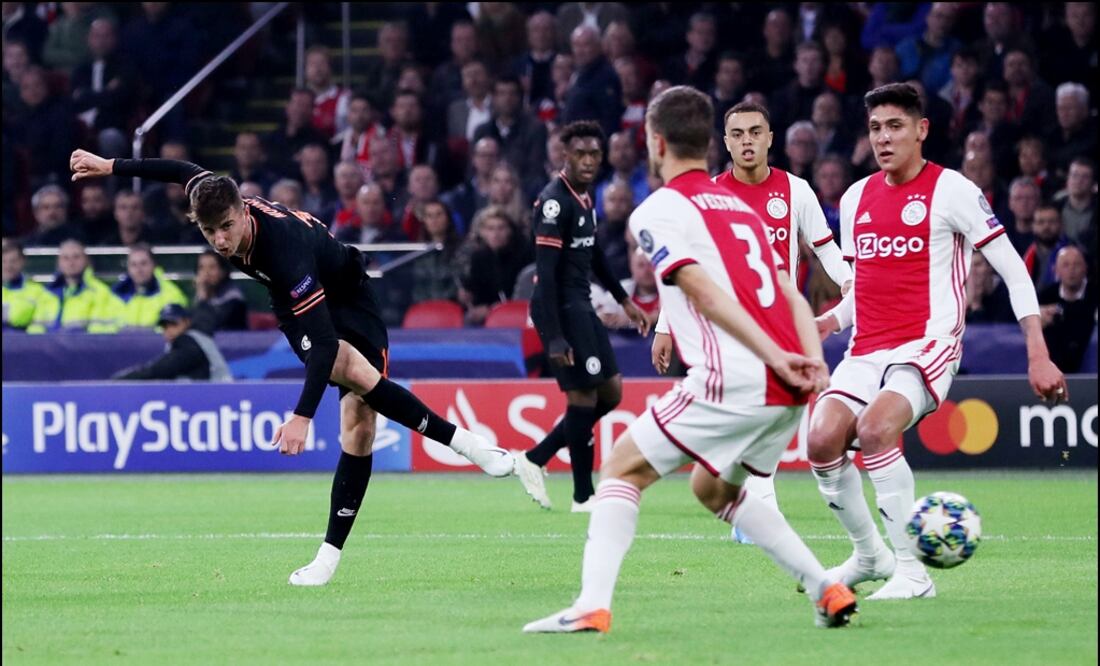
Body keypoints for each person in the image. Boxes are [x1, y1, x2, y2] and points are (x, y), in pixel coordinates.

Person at [70, 147, 515, 587]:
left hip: (348, 296)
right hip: (293, 302)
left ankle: (462, 451)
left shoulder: (283, 250)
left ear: (243, 211)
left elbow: (324, 344)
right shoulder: (213, 194)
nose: (220, 241)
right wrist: (110, 166)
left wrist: (302, 416)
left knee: (358, 422)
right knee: (355, 380)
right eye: (209, 232)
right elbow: (179, 169)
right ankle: (462, 448)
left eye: (226, 227)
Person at [524, 86, 855, 634]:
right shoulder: (743, 209)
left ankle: (590, 606)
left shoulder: (658, 210)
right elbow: (788, 291)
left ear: (656, 142)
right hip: (790, 385)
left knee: (620, 468)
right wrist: (807, 359)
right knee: (713, 488)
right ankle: (827, 588)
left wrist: (774, 356)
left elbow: (700, 290)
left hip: (738, 377)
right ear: (710, 142)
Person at [812, 83, 1066, 600]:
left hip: (928, 345)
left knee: (876, 428)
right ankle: (869, 556)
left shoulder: (953, 191)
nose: (884, 138)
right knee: (820, 441)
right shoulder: (856, 197)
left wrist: (1038, 353)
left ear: (921, 130)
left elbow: (1014, 270)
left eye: (895, 126)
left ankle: (912, 573)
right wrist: (830, 321)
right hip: (866, 349)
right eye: (875, 128)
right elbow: (863, 288)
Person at [652, 100, 853, 544]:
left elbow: (824, 247)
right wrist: (665, 325)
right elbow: (686, 265)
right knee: (751, 418)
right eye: (738, 134)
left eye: (755, 132)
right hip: (724, 328)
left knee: (760, 418)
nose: (747, 141)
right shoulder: (708, 196)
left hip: (780, 327)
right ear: (725, 143)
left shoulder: (796, 191)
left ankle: (751, 508)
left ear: (769, 139)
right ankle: (755, 510)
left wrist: (849, 281)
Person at [513, 121, 650, 512]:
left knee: (611, 393)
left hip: (582, 303)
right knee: (584, 396)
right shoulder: (554, 203)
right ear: (565, 156)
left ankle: (535, 458)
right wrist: (555, 335)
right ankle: (582, 496)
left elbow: (595, 254)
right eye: (580, 154)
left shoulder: (586, 197)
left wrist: (624, 300)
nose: (588, 161)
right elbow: (546, 275)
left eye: (594, 154)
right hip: (560, 307)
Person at [112, 304, 233, 381]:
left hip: (220, 397)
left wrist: (121, 380)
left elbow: (158, 370)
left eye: (173, 324)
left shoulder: (189, 342)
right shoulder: (186, 341)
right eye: (164, 326)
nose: (169, 330)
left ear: (186, 322)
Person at [1038, 245, 1097, 373]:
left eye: (1077, 265)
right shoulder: (1046, 296)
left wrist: (1063, 313)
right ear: (1056, 270)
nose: (1071, 270)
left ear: (1085, 268)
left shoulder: (1095, 293)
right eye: (1066, 265)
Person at [109, 244, 189, 330]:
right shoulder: (114, 295)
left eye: (143, 263)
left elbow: (174, 332)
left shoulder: (172, 295)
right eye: (133, 265)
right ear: (128, 268)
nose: (139, 269)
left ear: (154, 265)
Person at [2, 238, 58, 333]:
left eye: (13, 261)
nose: (8, 266)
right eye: (3, 261)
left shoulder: (39, 292)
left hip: (23, 340)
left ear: (23, 261)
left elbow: (39, 328)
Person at [191, 249, 248, 333]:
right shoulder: (200, 297)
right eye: (201, 268)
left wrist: (202, 295)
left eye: (212, 267)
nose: (206, 273)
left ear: (223, 271)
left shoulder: (235, 301)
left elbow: (209, 325)